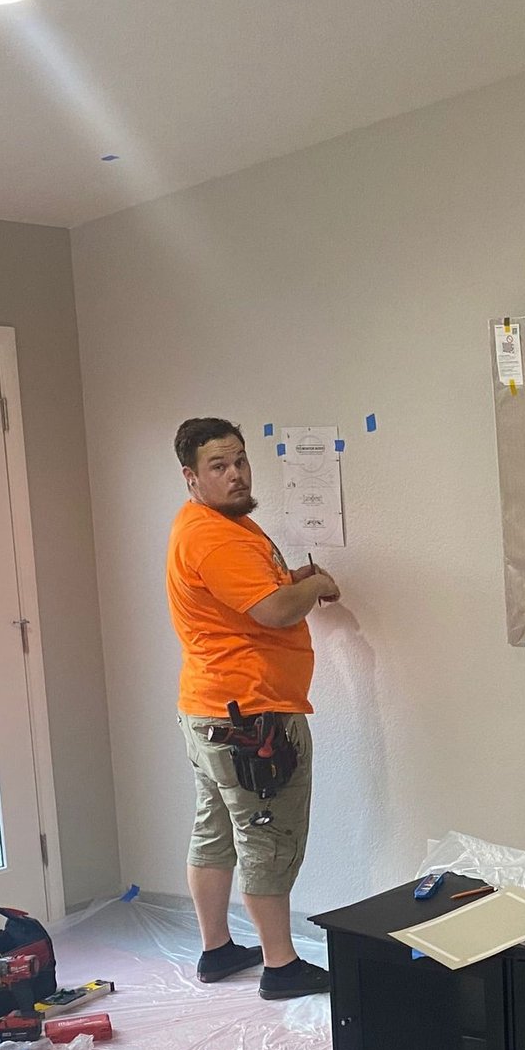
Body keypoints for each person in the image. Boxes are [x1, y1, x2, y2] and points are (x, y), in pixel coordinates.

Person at [166, 417, 341, 998]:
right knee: (266, 832)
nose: (236, 473)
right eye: (219, 466)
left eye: (239, 460)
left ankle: (217, 950)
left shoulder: (217, 525)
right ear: (192, 478)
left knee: (215, 826)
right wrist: (313, 587)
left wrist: (293, 578)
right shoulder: (213, 536)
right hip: (250, 717)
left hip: (211, 708)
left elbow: (250, 595)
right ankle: (281, 966)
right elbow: (273, 612)